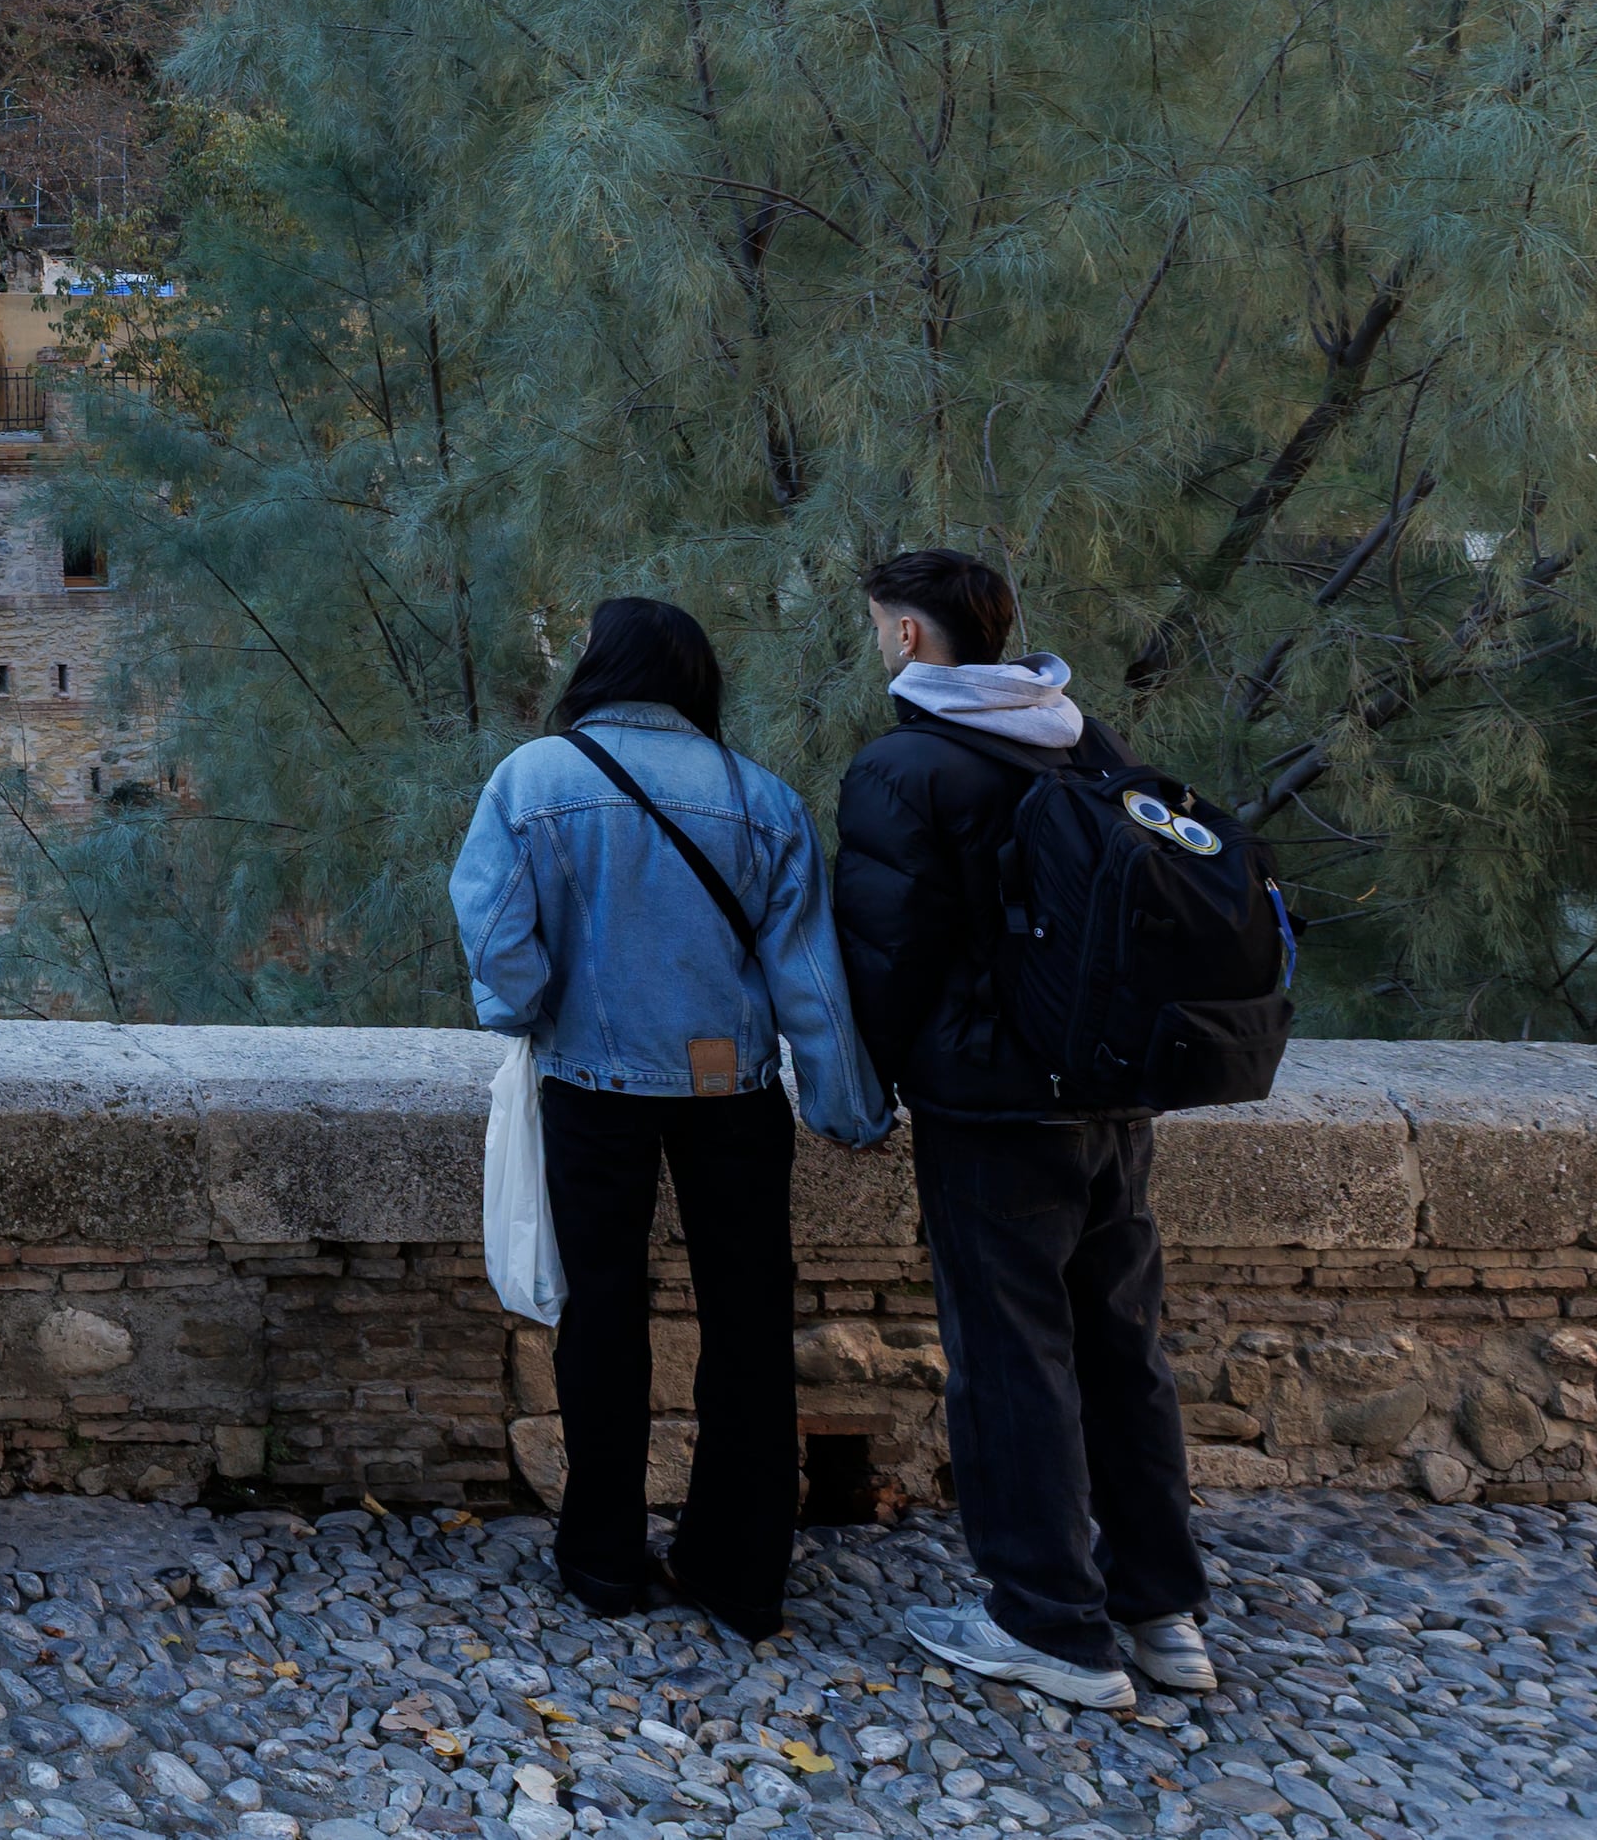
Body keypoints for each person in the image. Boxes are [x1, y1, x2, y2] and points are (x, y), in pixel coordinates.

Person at [451, 596, 890, 1639]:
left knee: (598, 1315)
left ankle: (600, 1557)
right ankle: (739, 1572)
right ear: (694, 678)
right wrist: (845, 1109)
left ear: (600, 669)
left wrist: (531, 1009)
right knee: (747, 1324)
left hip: (590, 1093)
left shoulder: (532, 779)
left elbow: (499, 949)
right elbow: (809, 985)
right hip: (728, 1096)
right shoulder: (761, 798)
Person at [835, 548, 1214, 1710]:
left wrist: (877, 1076)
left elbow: (887, 953)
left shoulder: (903, 764)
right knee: (1118, 1347)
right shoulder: (1082, 739)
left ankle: (1046, 1621)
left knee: (1010, 1358)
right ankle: (1158, 1613)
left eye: (877, 626)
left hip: (992, 1104)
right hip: (1111, 1090)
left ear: (906, 638)